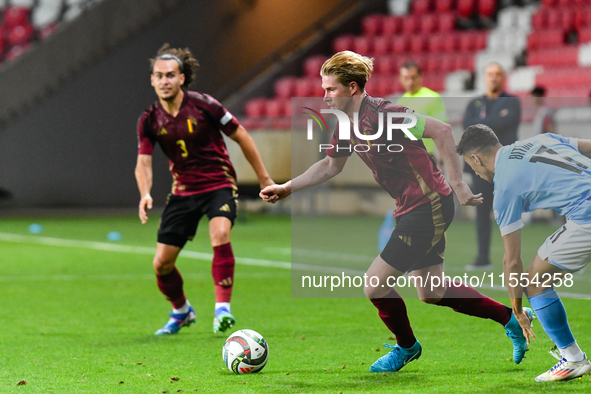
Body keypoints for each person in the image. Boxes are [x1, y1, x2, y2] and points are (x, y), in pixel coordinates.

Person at [260, 51, 532, 372]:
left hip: (428, 204)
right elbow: (331, 165)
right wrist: (286, 187)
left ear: (352, 87)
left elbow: (442, 131)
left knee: (374, 285)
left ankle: (407, 347)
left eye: (331, 89)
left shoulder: (384, 114)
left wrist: (458, 185)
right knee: (432, 291)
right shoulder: (346, 123)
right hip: (411, 206)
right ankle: (511, 317)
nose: (325, 96)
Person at [135, 44, 273, 335]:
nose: (165, 81)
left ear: (182, 78)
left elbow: (241, 135)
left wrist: (264, 178)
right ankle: (181, 311)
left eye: (170, 75)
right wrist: (145, 192)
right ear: (152, 80)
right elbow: (144, 163)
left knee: (220, 233)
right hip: (183, 191)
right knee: (161, 264)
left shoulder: (205, 105)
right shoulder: (149, 120)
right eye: (159, 76)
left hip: (218, 184)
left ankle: (223, 309)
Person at [456, 124, 591, 382]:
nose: (475, 172)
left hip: (586, 214)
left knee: (535, 282)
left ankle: (573, 358)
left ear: (476, 158)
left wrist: (517, 310)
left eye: (471, 167)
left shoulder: (504, 186)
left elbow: (512, 260)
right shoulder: (542, 139)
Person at [462, 62, 521, 271]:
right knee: (482, 212)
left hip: (505, 167)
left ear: (503, 77)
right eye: (490, 74)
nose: (493, 78)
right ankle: (483, 257)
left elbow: (506, 124)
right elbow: (468, 127)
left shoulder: (512, 102)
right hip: (481, 169)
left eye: (497, 74)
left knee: (508, 212)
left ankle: (513, 258)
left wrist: (483, 125)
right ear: (484, 78)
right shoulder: (475, 103)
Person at [396, 61, 448, 162]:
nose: (410, 82)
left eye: (413, 77)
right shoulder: (400, 102)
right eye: (406, 78)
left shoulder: (432, 98)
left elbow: (442, 131)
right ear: (400, 79)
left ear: (420, 77)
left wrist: (441, 160)